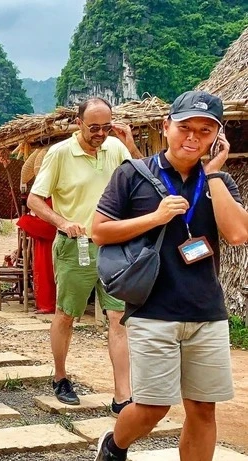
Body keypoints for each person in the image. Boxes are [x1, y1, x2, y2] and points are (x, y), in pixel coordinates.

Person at [92, 91, 248, 461]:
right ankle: (114, 446)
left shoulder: (220, 182)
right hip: (152, 309)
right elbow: (99, 231)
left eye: (205, 130)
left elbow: (238, 234)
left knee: (202, 410)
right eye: (185, 128)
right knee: (152, 408)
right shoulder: (132, 174)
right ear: (166, 127)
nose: (193, 137)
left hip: (206, 312)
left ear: (216, 136)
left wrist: (210, 175)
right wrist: (154, 218)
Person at [27, 97, 141, 411]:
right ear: (79, 123)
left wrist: (129, 145)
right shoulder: (60, 153)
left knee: (119, 317)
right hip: (76, 245)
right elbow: (35, 201)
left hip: (115, 246)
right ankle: (61, 377)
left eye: (106, 127)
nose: (100, 134)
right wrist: (62, 222)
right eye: (94, 128)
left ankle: (122, 396)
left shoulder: (115, 148)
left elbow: (146, 179)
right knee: (67, 314)